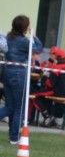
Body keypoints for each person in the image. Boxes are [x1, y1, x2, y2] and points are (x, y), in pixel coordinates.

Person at [1, 15, 44, 144]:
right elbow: (39, 48)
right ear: (25, 27)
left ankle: (13, 136)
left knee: (10, 106)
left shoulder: (7, 38)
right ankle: (14, 138)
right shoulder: (25, 41)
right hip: (19, 75)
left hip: (6, 72)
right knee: (19, 107)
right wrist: (33, 35)